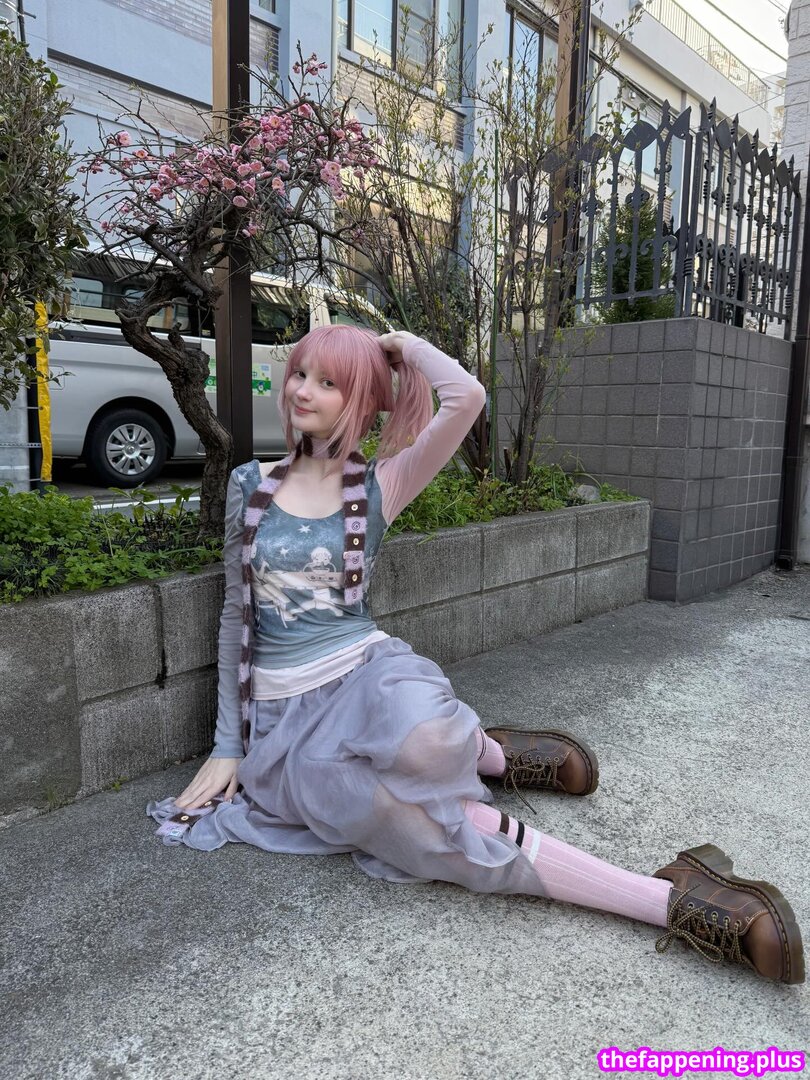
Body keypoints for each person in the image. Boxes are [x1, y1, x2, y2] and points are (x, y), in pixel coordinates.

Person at [147, 326, 804, 986]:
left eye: (329, 382)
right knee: (407, 824)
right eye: (300, 373)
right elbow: (235, 613)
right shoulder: (250, 484)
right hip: (286, 722)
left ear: (363, 400)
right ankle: (664, 899)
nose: (302, 391)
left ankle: (487, 753)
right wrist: (228, 745)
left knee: (429, 746)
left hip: (366, 677)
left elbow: (466, 397)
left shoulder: (379, 484)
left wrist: (403, 346)